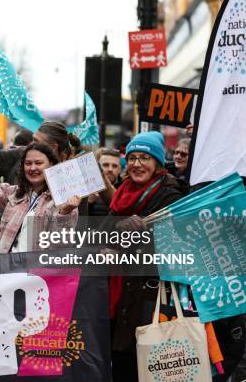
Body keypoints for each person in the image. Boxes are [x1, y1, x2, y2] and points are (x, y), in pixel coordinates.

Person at [102, 132, 184, 381]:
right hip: (118, 299)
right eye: (133, 158)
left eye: (145, 158)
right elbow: (101, 236)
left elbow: (174, 249)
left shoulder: (169, 196)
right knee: (122, 368)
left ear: (157, 163)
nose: (137, 164)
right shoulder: (121, 194)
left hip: (149, 302)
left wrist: (136, 238)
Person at [0, 128, 81, 253]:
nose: (32, 168)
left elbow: (59, 247)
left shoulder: (63, 201)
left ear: (51, 165)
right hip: (4, 268)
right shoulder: (13, 193)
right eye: (28, 163)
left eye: (38, 163)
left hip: (35, 270)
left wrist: (65, 213)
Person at [89, 148, 122, 218]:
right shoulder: (88, 189)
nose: (110, 169)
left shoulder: (126, 191)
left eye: (114, 166)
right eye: (106, 165)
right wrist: (89, 204)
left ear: (120, 169)